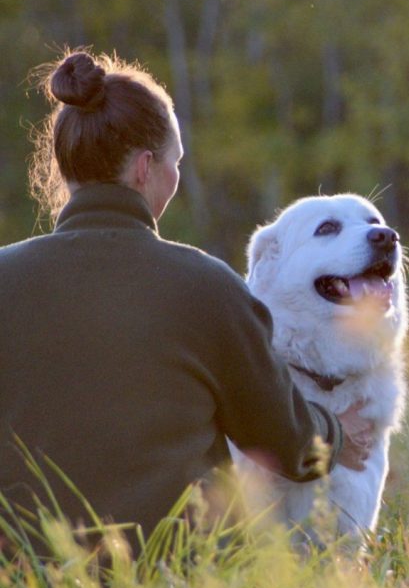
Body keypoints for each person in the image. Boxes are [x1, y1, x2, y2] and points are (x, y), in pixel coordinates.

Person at [0, 49, 373, 554]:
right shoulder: (207, 286)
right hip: (175, 580)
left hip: (22, 587)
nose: (175, 178)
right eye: (175, 163)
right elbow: (287, 445)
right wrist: (337, 431)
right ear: (145, 167)